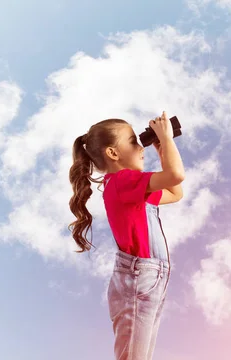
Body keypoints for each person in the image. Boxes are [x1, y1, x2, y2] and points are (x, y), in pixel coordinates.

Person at [68, 111, 185, 360]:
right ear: (113, 153)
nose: (141, 147)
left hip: (149, 279)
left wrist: (163, 152)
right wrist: (167, 139)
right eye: (134, 141)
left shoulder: (130, 186)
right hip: (138, 280)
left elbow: (175, 193)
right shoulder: (122, 181)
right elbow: (176, 175)